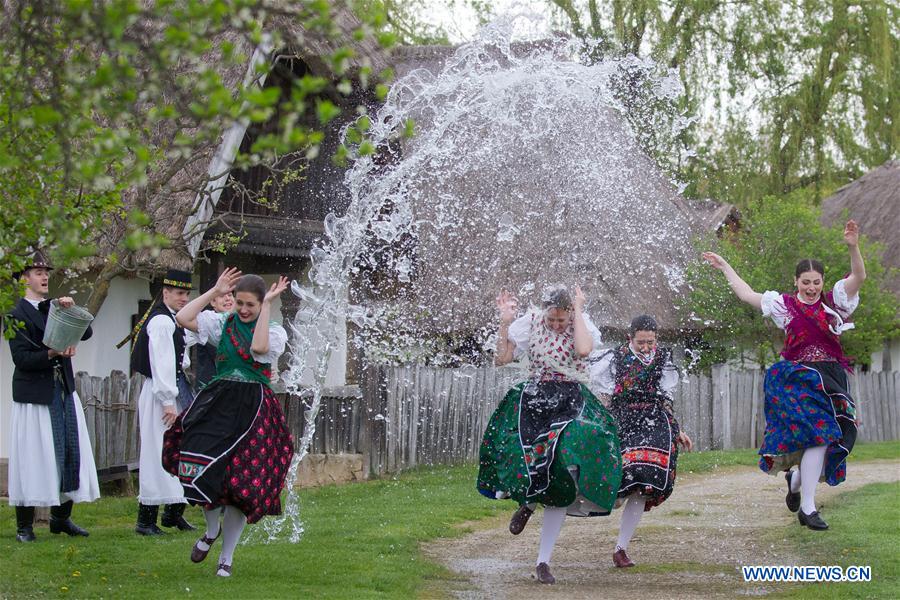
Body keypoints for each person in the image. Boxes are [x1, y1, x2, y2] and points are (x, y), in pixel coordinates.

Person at [702, 219, 865, 531]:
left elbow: (859, 276)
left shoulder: (835, 305)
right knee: (818, 437)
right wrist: (725, 267)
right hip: (798, 378)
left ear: (822, 282)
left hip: (831, 378)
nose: (811, 287)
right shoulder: (784, 305)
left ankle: (794, 483)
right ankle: (808, 508)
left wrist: (853, 246)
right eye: (806, 281)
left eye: (816, 281)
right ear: (796, 281)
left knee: (835, 440)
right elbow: (746, 294)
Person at [477, 285, 622, 585]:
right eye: (551, 320)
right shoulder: (529, 323)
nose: (556, 325)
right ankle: (528, 503)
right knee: (532, 463)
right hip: (535, 398)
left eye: (561, 320)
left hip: (570, 400)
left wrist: (578, 310)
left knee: (563, 470)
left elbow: (583, 350)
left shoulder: (580, 322)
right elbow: (501, 359)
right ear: (543, 313)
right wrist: (504, 322)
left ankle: (543, 561)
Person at [166, 268, 294, 577]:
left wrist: (266, 310)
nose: (244, 310)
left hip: (254, 409)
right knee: (202, 467)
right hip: (219, 403)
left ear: (262, 304)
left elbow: (260, 349)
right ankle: (211, 532)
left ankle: (227, 557)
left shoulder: (275, 331)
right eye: (240, 303)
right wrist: (214, 291)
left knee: (242, 483)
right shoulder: (221, 322)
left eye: (251, 304)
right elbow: (183, 317)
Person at [6, 250, 100, 541]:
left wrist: (71, 309)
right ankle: (25, 526)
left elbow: (86, 334)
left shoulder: (55, 307)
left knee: (73, 450)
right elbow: (21, 359)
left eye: (46, 271)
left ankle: (61, 519)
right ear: (24, 278)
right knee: (34, 457)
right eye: (37, 272)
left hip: (63, 391)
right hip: (34, 396)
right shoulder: (15, 314)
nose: (45, 276)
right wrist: (52, 353)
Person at [590, 315, 692, 567]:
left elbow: (665, 398)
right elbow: (604, 396)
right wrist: (601, 424)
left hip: (653, 418)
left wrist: (676, 429)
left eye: (651, 342)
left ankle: (621, 548)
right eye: (641, 342)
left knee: (645, 480)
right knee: (624, 474)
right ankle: (613, 497)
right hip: (624, 417)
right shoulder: (615, 358)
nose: (647, 347)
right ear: (630, 338)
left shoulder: (663, 359)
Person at [131, 268, 197, 534]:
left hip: (172, 390)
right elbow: (162, 364)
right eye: (179, 293)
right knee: (158, 450)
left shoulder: (172, 319)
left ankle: (173, 513)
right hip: (161, 393)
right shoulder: (161, 322)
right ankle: (145, 520)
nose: (183, 298)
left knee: (178, 449)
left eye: (186, 294)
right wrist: (168, 401)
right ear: (166, 292)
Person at [193, 291, 234, 391]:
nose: (228, 298)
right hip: (210, 388)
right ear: (213, 302)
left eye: (230, 295)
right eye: (222, 295)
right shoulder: (206, 322)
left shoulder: (240, 323)